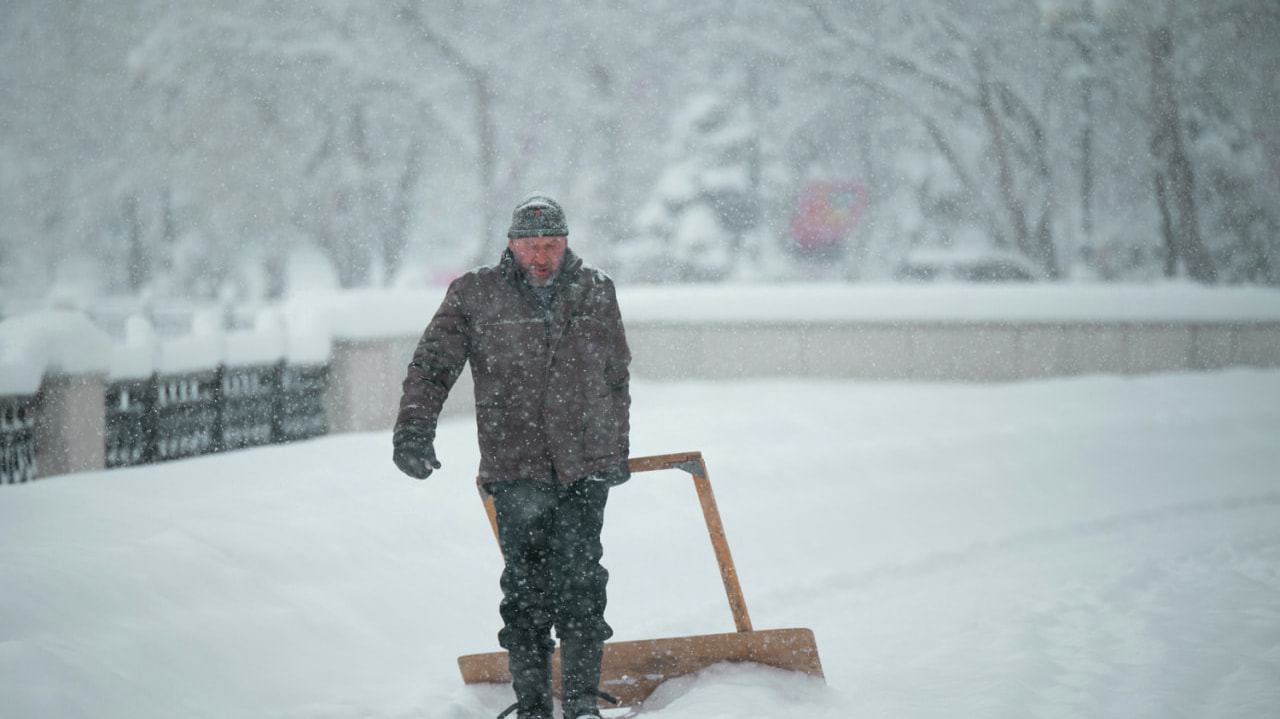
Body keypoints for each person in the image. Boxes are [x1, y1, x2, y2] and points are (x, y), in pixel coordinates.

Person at [392, 193, 631, 719]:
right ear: (511, 245)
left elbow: (616, 376)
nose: (540, 258)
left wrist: (616, 452)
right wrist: (413, 431)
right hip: (515, 466)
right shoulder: (476, 295)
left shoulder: (595, 292)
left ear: (566, 244)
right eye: (530, 247)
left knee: (583, 584)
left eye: (550, 245)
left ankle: (582, 705)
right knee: (525, 592)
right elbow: (433, 365)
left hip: (583, 466)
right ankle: (532, 706)